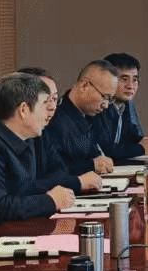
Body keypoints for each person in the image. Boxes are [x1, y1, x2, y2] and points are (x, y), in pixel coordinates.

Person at [0, 72, 79, 221]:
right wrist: (49, 201)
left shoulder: (27, 138)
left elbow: (28, 189)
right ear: (24, 110)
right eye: (44, 103)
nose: (50, 110)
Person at [17, 66, 102, 195]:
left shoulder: (41, 132)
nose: (52, 107)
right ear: (23, 105)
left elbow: (60, 172)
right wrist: (77, 182)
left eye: (54, 99)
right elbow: (23, 189)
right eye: (45, 100)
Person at [46, 60, 119, 179]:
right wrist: (91, 165)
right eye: (104, 97)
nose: (106, 105)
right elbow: (54, 170)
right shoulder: (54, 119)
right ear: (84, 85)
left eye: (110, 99)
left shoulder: (89, 116)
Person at [94, 51, 148, 161]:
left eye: (135, 80)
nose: (130, 86)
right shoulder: (98, 106)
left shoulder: (124, 105)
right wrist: (141, 148)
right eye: (124, 79)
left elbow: (130, 138)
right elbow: (105, 150)